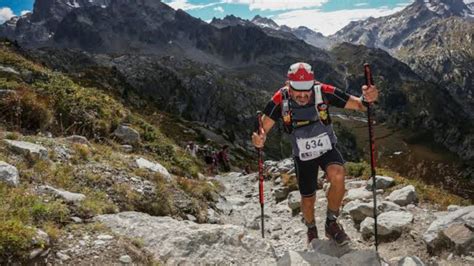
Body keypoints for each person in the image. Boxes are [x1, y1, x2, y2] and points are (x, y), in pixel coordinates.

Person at [251, 62, 378, 246]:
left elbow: (360, 105)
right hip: (302, 154)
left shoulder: (323, 90)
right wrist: (258, 140)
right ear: (288, 85)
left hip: (326, 147)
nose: (302, 96)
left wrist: (369, 97)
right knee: (308, 198)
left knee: (338, 174)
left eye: (307, 91)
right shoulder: (280, 99)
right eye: (297, 91)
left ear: (313, 84)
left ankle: (331, 223)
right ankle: (311, 228)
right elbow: (261, 129)